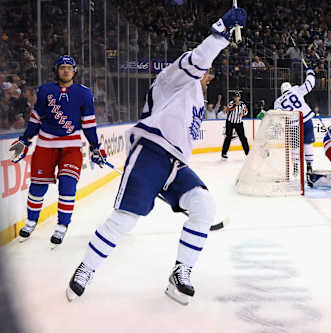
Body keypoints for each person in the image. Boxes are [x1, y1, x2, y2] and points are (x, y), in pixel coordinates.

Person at [66, 7, 247, 305]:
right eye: (206, 71)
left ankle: (181, 273)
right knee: (125, 218)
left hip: (174, 164)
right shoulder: (173, 77)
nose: (209, 76)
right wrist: (221, 34)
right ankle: (86, 267)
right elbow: (199, 59)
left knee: (203, 205)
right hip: (150, 152)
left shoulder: (196, 98)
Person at [8, 55, 106, 246]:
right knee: (38, 186)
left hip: (71, 147)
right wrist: (25, 139)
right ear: (56, 70)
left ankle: (62, 225)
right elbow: (36, 118)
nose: (66, 70)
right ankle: (31, 222)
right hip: (45, 146)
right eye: (62, 67)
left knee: (67, 185)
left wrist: (95, 147)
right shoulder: (45, 91)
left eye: (70, 67)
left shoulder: (84, 93)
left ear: (75, 71)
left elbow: (89, 124)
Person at [270, 65, 316, 179]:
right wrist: (310, 72)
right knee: (308, 144)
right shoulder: (296, 90)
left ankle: (296, 167)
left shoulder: (278, 101)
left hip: (294, 124)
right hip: (306, 120)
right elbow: (310, 84)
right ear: (290, 87)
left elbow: (279, 115)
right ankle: (309, 165)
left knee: (295, 146)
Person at [221, 91, 250, 159]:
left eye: (238, 97)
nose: (237, 98)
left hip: (239, 123)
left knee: (243, 138)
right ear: (233, 97)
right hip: (230, 122)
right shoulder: (231, 103)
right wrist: (235, 105)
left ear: (239, 97)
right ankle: (224, 153)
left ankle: (248, 153)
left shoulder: (242, 104)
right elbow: (230, 109)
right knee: (228, 137)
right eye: (235, 97)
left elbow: (246, 111)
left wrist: (243, 114)